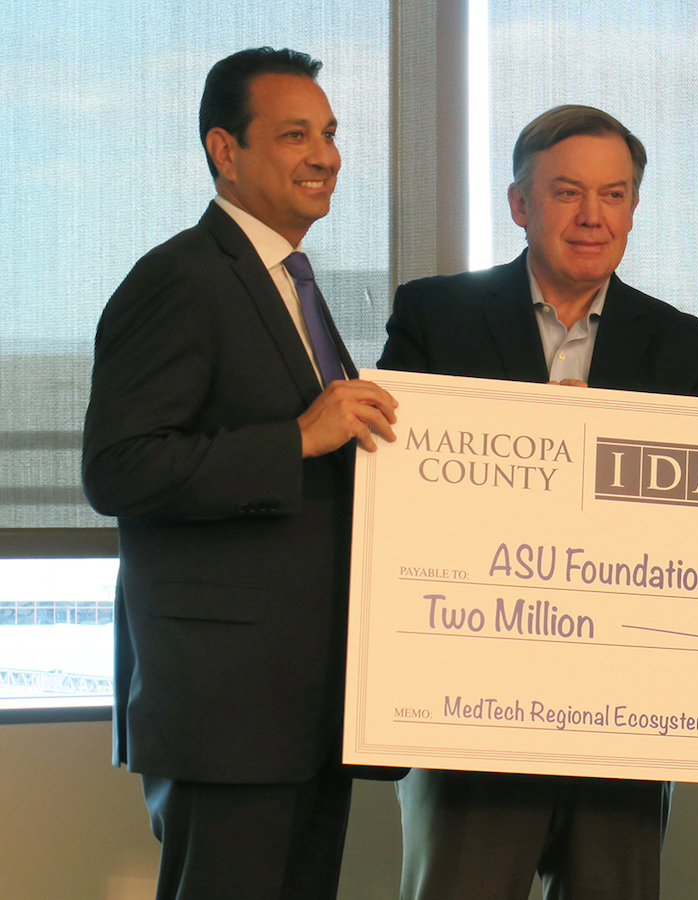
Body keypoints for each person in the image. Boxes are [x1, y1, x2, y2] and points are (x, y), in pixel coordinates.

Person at [378, 104, 698, 900]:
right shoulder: (437, 318)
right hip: (471, 700)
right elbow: (392, 485)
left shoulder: (687, 348)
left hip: (625, 703)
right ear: (519, 204)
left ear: (635, 209)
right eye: (568, 191)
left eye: (615, 194)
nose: (592, 215)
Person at [81, 47, 399, 900]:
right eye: (295, 134)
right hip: (227, 710)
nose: (325, 154)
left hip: (309, 702)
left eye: (329, 133)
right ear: (226, 150)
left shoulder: (293, 284)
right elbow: (118, 469)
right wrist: (294, 438)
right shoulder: (179, 278)